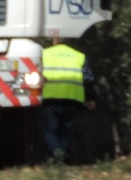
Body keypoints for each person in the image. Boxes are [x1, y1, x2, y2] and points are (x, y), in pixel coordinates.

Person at [41, 33, 95, 161]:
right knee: (65, 133)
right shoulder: (79, 56)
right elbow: (88, 80)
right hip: (72, 100)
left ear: (54, 40)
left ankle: (57, 154)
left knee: (50, 131)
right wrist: (90, 99)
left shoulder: (44, 54)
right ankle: (61, 157)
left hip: (50, 99)